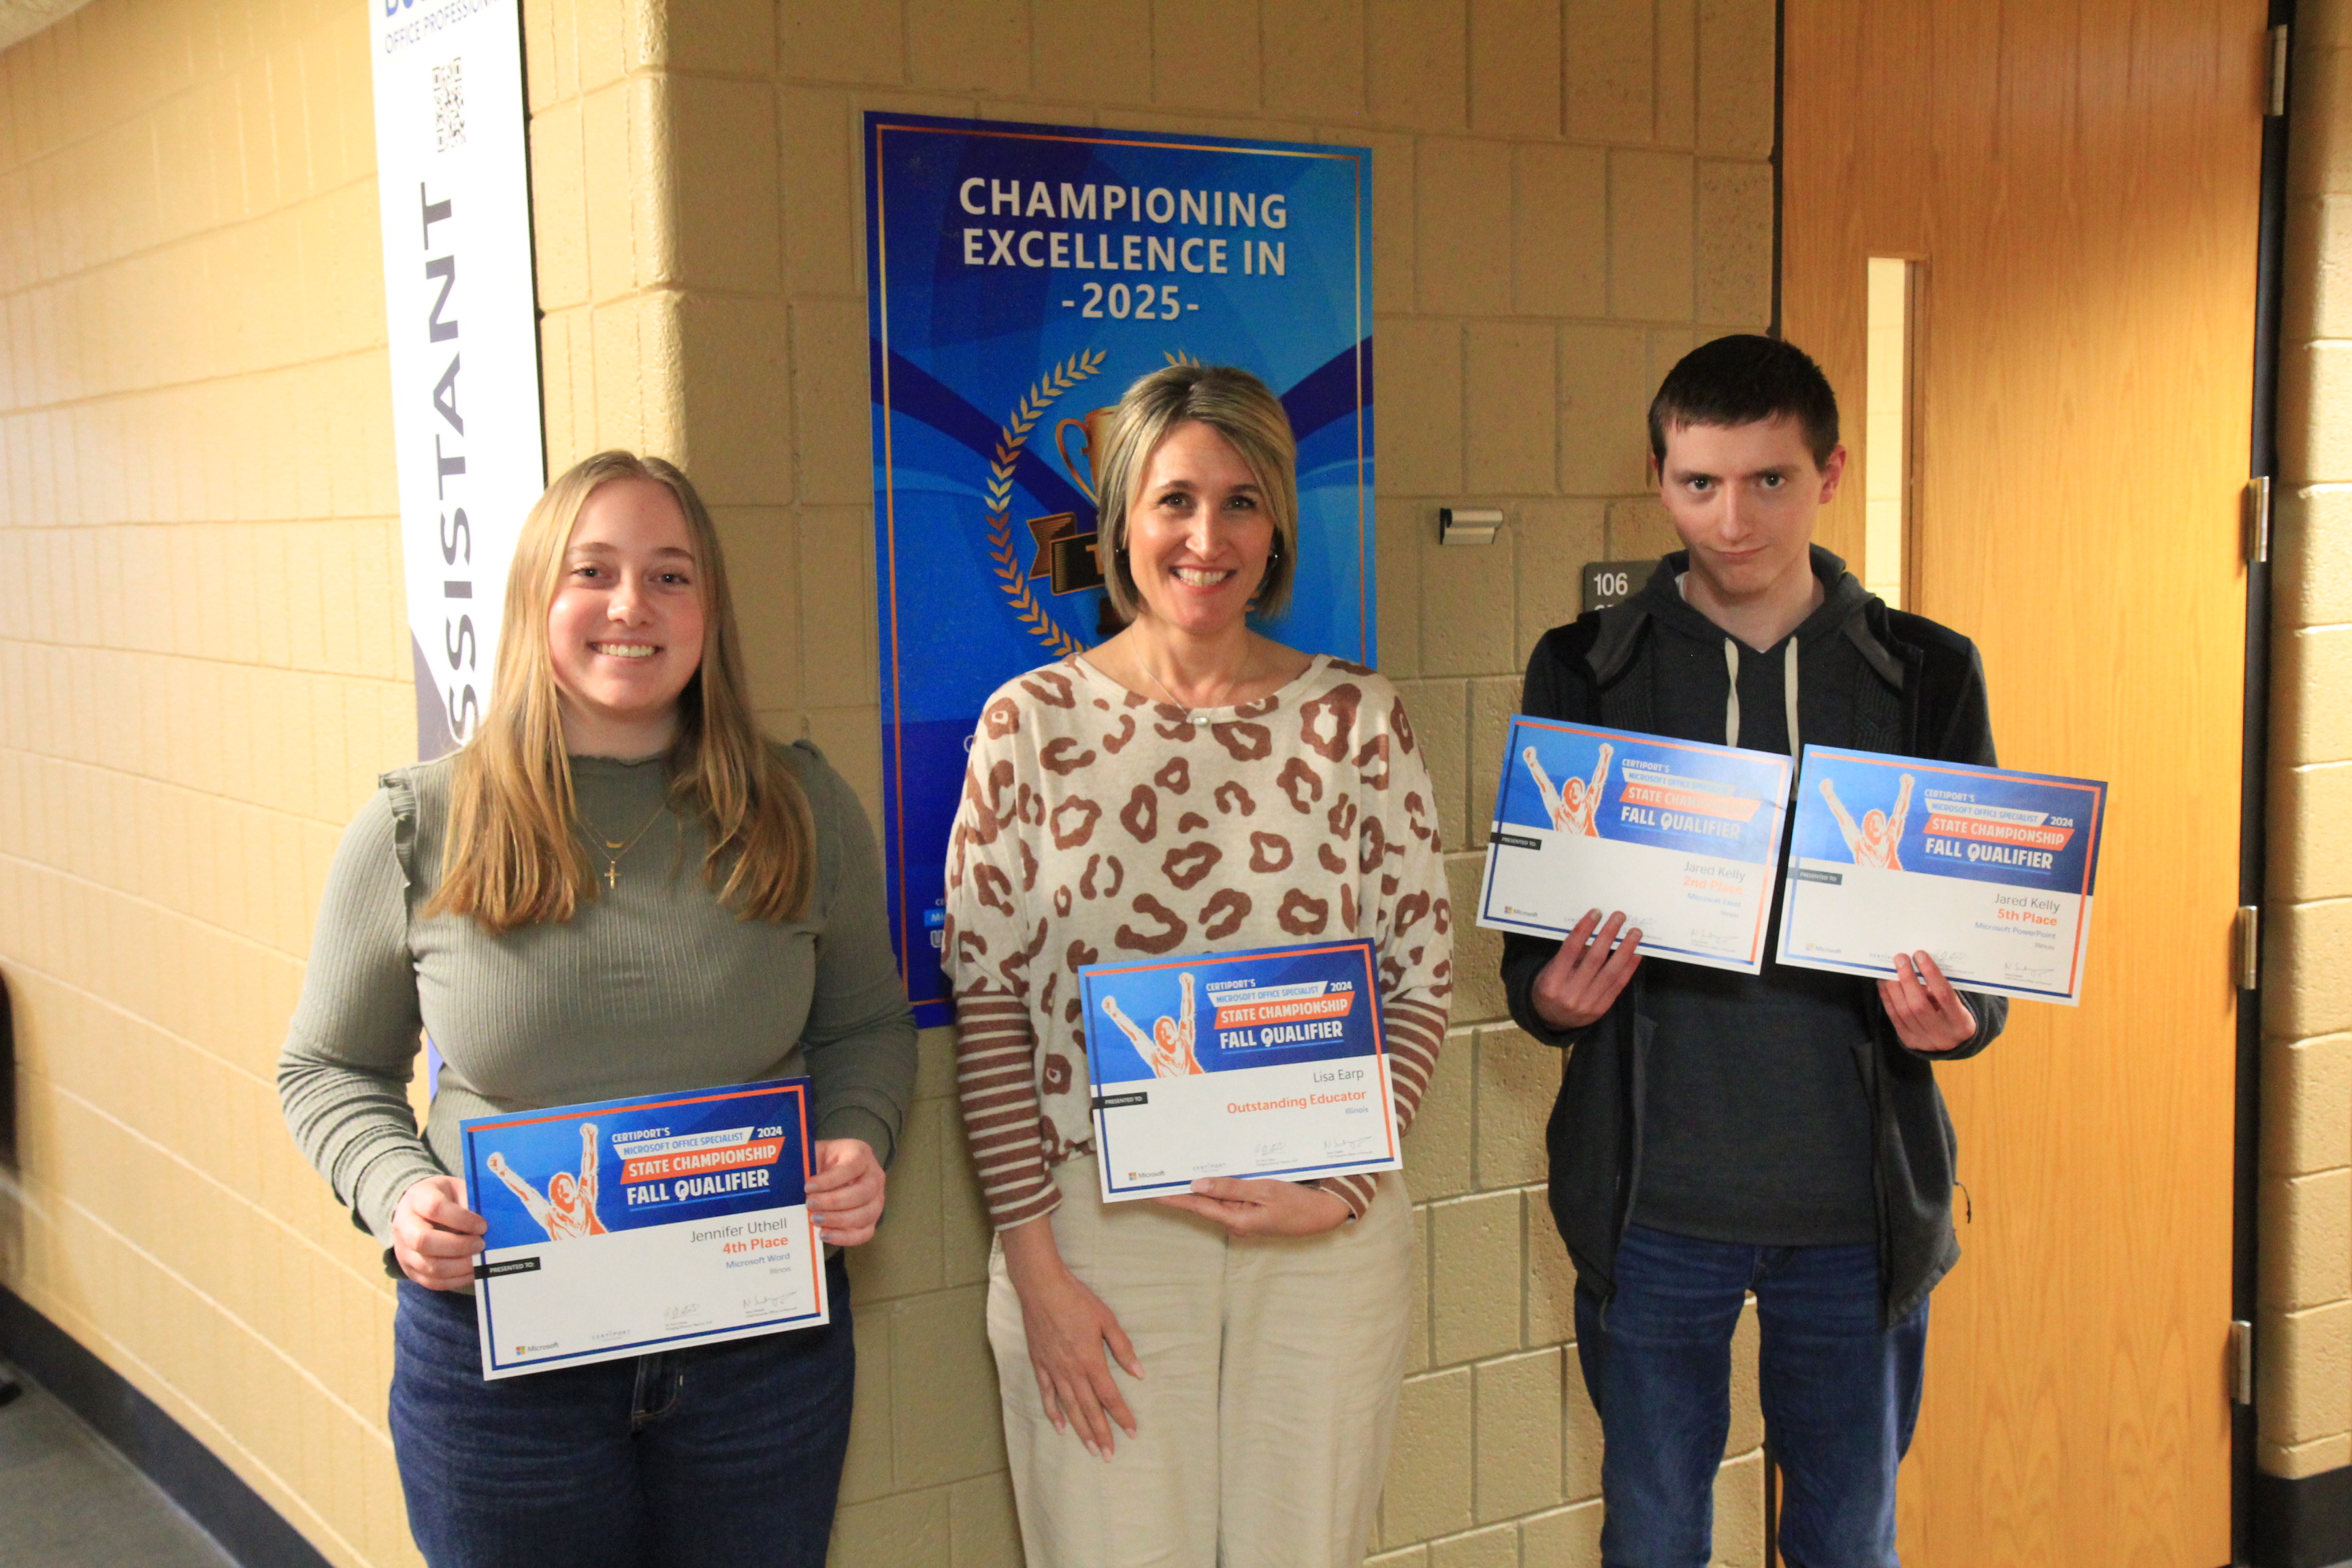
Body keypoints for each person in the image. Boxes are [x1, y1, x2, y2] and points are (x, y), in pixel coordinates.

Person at [277, 451, 917, 1568]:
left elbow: (866, 1024)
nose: (633, 605)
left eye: (671, 575)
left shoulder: (800, 803)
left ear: (709, 608)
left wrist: (861, 1136)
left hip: (758, 1353)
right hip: (500, 1366)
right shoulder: (418, 824)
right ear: (538, 599)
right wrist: (396, 1191)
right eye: (595, 571)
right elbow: (327, 1066)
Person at [1501, 336, 2006, 1568]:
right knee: (1657, 1536)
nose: (1733, 519)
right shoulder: (1584, 667)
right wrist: (1550, 998)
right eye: (1699, 484)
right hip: (1652, 1202)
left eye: (1768, 479)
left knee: (1845, 1540)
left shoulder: (1928, 671)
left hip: (1855, 1204)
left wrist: (1965, 1014)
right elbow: (1533, 959)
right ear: (1660, 482)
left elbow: (1980, 940)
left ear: (1829, 472)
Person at [944, 364, 1452, 1568]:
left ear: (1277, 520)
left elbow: (1421, 984)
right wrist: (1038, 1270)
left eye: (1240, 500)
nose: (1206, 536)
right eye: (1175, 498)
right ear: (1123, 518)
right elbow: (990, 1017)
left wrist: (1346, 1187)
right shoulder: (1029, 726)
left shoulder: (1358, 721)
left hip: (1325, 1238)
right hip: (1101, 1243)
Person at [486, 1124, 607, 1241]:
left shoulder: (585, 1201)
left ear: (575, 1190)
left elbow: (588, 1171)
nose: (564, 1190)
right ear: (554, 1196)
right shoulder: (550, 1217)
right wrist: (503, 1172)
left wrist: (590, 1138)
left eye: (567, 1185)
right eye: (559, 1188)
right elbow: (528, 1194)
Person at [1098, 974, 1204, 1079]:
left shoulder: (1184, 1043)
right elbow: (1136, 1035)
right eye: (1162, 1031)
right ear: (1158, 1038)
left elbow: (1187, 1016)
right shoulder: (1155, 1057)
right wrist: (1114, 1013)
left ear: (1176, 1032)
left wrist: (1188, 986)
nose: (1166, 1032)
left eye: (1169, 1028)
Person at [1820, 772, 1914, 868]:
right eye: (1871, 823)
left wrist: (1906, 788)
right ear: (1865, 828)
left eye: (1879, 822)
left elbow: (1899, 814)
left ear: (1884, 827)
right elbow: (1844, 819)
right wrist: (1829, 795)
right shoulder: (1859, 845)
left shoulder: (1890, 839)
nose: (1875, 825)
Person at [1525, 740, 1613, 835]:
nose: (1574, 792)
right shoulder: (1557, 811)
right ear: (1565, 795)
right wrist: (1532, 763)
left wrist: (1605, 758)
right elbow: (1546, 786)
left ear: (1583, 795)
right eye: (1571, 790)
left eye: (1578, 790)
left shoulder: (1588, 806)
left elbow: (1598, 782)